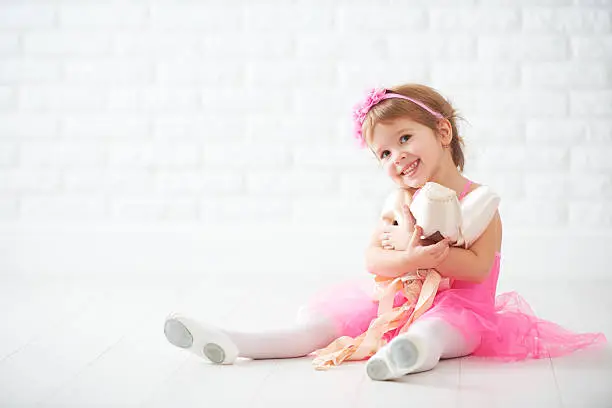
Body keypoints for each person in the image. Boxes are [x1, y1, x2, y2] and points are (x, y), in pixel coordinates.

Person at [164, 83, 606, 381]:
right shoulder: (399, 204)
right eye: (384, 153)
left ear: (443, 131)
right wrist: (409, 257)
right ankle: (236, 341)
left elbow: (476, 269)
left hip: (462, 311)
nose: (396, 157)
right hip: (395, 303)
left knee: (439, 330)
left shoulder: (480, 204)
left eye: (406, 139)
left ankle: (407, 355)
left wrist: (422, 253)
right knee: (321, 326)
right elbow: (374, 259)